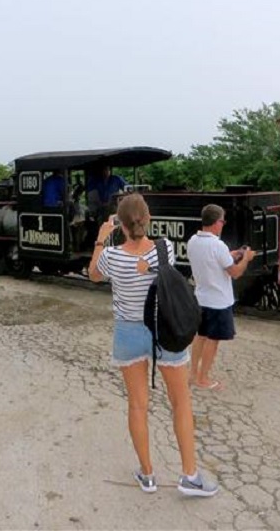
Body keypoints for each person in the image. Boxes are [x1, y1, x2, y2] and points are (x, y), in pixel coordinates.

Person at [88, 193, 218, 498]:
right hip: (164, 330)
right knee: (181, 402)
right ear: (148, 219)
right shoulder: (165, 248)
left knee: (137, 405)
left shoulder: (111, 256)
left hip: (128, 333)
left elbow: (93, 275)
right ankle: (190, 476)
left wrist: (101, 239)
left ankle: (147, 475)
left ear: (120, 224)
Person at [187, 204, 255, 390]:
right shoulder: (218, 245)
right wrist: (246, 259)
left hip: (201, 297)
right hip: (218, 301)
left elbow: (214, 259)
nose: (223, 225)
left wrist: (232, 254)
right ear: (217, 222)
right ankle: (203, 378)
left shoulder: (193, 241)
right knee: (213, 340)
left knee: (200, 336)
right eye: (223, 221)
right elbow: (235, 273)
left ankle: (193, 374)